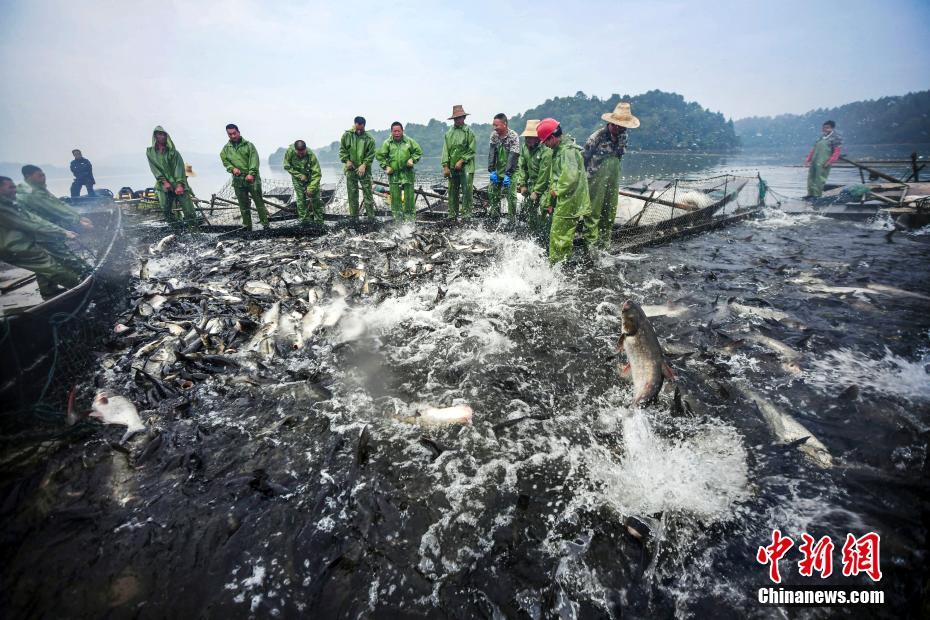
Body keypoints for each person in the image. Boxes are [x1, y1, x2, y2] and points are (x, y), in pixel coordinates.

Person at [0, 176, 85, 299]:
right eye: (10, 187)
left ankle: (49, 291)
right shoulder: (3, 208)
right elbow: (31, 223)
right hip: (13, 247)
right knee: (53, 267)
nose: (14, 190)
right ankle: (81, 288)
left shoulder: (9, 203)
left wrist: (63, 231)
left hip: (13, 243)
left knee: (42, 263)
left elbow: (34, 219)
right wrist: (63, 232)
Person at [536, 118, 597, 264]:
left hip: (570, 200)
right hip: (565, 199)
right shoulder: (559, 150)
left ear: (552, 137)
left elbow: (570, 177)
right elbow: (555, 177)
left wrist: (557, 191)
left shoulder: (567, 151)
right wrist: (551, 202)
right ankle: (560, 263)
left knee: (559, 236)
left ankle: (557, 267)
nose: (545, 145)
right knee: (560, 234)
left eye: (546, 142)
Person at [584, 102, 638, 246]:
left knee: (608, 213)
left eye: (622, 126)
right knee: (592, 214)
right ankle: (590, 249)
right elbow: (584, 159)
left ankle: (604, 247)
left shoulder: (623, 137)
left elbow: (618, 158)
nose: (619, 129)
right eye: (616, 125)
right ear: (611, 123)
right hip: (595, 179)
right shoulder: (596, 137)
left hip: (612, 180)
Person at [146, 126, 199, 227]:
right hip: (163, 186)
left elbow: (179, 170)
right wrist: (164, 182)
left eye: (164, 134)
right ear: (155, 136)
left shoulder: (174, 153)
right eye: (159, 134)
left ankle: (195, 233)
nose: (162, 136)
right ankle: (178, 230)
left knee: (189, 212)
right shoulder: (150, 152)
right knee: (166, 211)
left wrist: (179, 184)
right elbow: (155, 169)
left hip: (179, 184)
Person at [220, 123, 269, 231]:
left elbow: (254, 160)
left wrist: (251, 173)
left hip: (252, 179)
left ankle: (266, 225)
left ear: (238, 132)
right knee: (243, 205)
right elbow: (225, 161)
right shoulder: (225, 149)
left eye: (234, 133)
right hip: (238, 180)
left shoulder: (249, 145)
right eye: (230, 134)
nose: (232, 136)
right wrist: (232, 169)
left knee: (259, 202)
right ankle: (247, 227)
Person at [18, 165, 94, 231]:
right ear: (28, 177)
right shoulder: (33, 193)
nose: (43, 178)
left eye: (43, 175)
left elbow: (59, 203)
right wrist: (78, 221)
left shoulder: (38, 188)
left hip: (48, 223)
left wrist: (79, 217)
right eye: (39, 176)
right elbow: (54, 209)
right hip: (40, 227)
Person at [376, 122, 422, 222]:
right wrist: (386, 166)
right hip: (393, 174)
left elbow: (418, 152)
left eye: (398, 131)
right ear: (391, 132)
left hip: (407, 173)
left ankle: (410, 223)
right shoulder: (387, 143)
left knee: (409, 199)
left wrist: (412, 160)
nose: (396, 133)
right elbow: (380, 156)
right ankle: (399, 223)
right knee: (396, 200)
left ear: (402, 131)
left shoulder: (409, 141)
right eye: (394, 131)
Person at [513, 119, 552, 233]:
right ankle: (532, 232)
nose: (528, 140)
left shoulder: (546, 150)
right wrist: (523, 184)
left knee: (544, 209)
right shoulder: (525, 148)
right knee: (529, 209)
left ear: (538, 137)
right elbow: (522, 167)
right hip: (531, 183)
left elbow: (544, 174)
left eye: (531, 137)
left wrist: (537, 191)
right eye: (527, 137)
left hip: (546, 186)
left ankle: (544, 235)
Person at [441, 105, 477, 221]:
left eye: (460, 117)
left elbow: (471, 150)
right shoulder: (448, 133)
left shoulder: (469, 132)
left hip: (466, 166)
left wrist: (461, 161)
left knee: (467, 191)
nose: (458, 120)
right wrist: (445, 166)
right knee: (452, 192)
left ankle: (466, 216)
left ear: (464, 118)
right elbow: (445, 150)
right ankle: (452, 215)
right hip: (452, 167)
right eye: (456, 118)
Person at [339, 117, 377, 221]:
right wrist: (346, 160)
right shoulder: (347, 135)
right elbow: (342, 151)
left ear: (364, 126)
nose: (359, 130)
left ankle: (371, 218)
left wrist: (364, 164)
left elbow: (371, 154)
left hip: (364, 170)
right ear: (354, 124)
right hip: (350, 170)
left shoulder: (369, 139)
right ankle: (354, 218)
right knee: (352, 195)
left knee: (368, 194)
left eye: (361, 128)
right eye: (357, 128)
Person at [487, 113, 520, 220]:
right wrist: (492, 170)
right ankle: (495, 216)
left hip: (512, 169)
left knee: (512, 196)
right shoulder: (494, 135)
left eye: (497, 125)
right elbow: (492, 153)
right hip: (498, 168)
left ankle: (512, 219)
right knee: (492, 191)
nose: (494, 128)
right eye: (493, 125)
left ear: (504, 124)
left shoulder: (513, 136)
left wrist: (508, 174)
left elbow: (513, 156)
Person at [283, 140, 323, 224]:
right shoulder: (290, 151)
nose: (301, 155)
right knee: (301, 200)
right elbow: (286, 166)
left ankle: (319, 221)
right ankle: (305, 221)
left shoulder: (311, 155)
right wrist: (299, 175)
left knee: (315, 199)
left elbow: (317, 174)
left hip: (311, 177)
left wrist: (311, 188)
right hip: (297, 179)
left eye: (303, 153)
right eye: (299, 153)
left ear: (306, 149)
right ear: (295, 150)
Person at [805, 120, 843, 198]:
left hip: (824, 162)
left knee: (819, 179)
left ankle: (817, 196)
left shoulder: (836, 138)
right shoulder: (821, 137)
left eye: (827, 128)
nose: (825, 129)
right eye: (824, 127)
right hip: (815, 161)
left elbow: (837, 152)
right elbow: (814, 149)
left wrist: (829, 162)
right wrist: (808, 159)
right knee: (811, 178)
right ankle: (810, 195)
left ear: (832, 128)